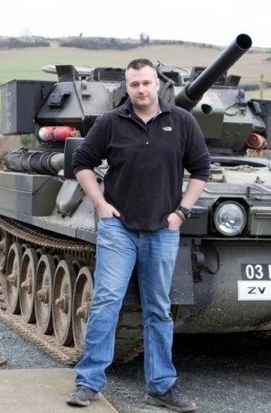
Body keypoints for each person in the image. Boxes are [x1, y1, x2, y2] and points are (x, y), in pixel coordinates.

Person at [66, 58, 211, 412]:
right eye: (135, 84)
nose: (141, 89)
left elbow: (201, 169)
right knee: (106, 302)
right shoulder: (111, 122)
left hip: (162, 229)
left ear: (157, 84)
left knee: (158, 308)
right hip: (119, 227)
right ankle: (88, 382)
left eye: (147, 83)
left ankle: (160, 386)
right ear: (127, 87)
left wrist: (181, 212)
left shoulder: (182, 121)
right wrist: (100, 204)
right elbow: (81, 163)